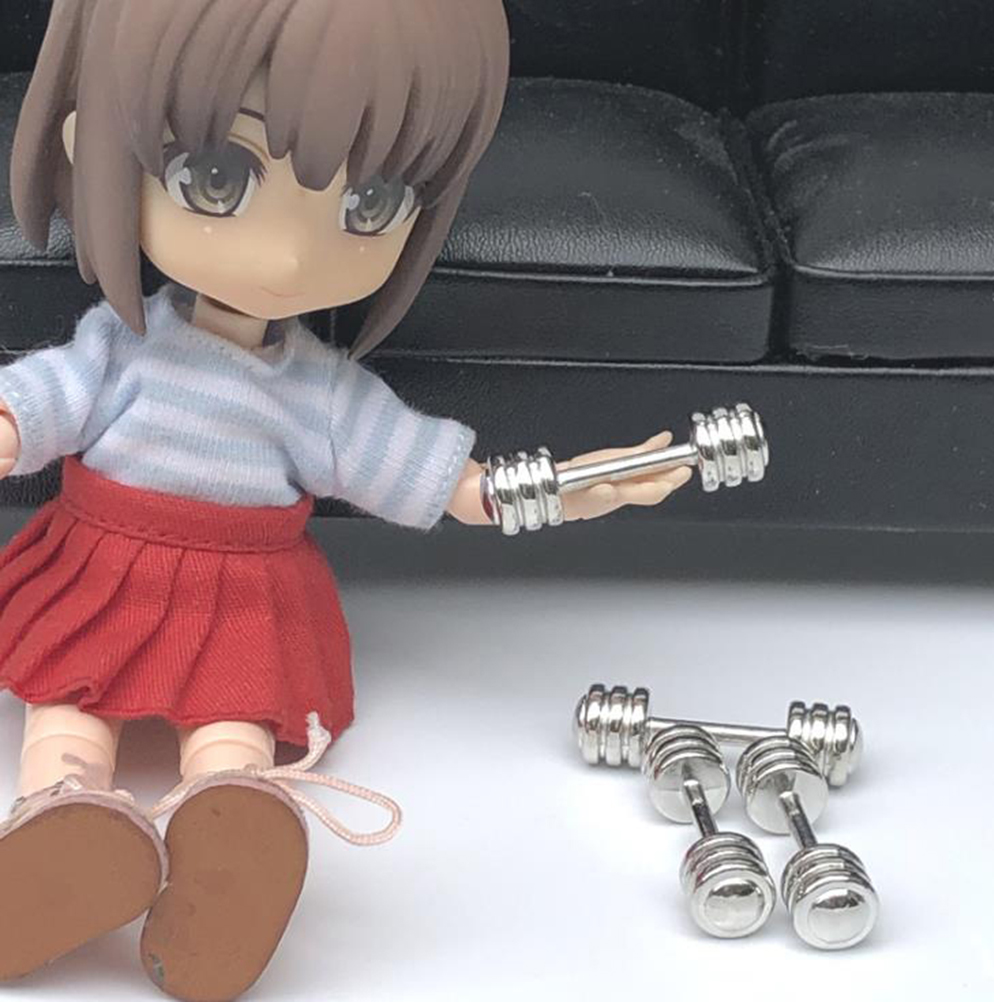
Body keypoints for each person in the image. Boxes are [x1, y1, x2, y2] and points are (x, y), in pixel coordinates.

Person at [0, 3, 693, 999]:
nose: (289, 258)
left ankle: (223, 854)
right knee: (69, 712)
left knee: (231, 735)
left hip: (240, 595)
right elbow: (41, 402)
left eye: (370, 202)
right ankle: (61, 832)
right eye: (219, 177)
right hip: (106, 565)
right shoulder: (121, 344)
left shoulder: (321, 394)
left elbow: (438, 480)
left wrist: (565, 487)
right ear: (92, 146)